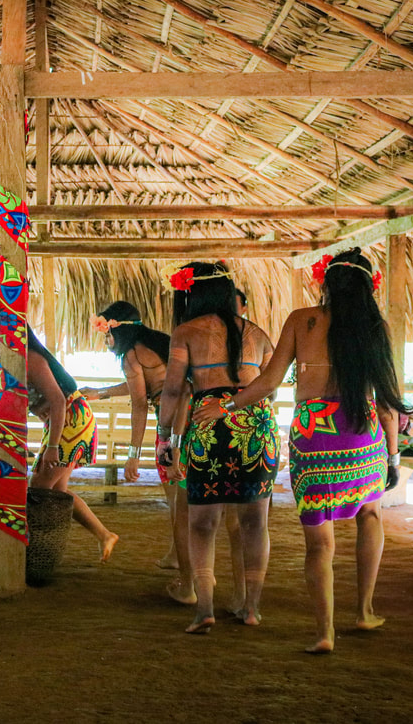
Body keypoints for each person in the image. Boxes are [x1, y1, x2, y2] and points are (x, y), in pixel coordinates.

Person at [193, 248, 407, 653]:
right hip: (362, 434)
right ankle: (364, 610)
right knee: (371, 513)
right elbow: (386, 403)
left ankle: (324, 633)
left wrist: (225, 406)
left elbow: (268, 381)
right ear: (367, 286)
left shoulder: (301, 320)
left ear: (324, 283)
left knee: (319, 543)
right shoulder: (375, 326)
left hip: (313, 436)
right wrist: (392, 456)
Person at [157, 261, 278, 634]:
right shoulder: (257, 333)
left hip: (209, 427)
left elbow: (174, 388)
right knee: (255, 522)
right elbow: (272, 386)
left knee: (202, 522)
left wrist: (165, 437)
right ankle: (252, 608)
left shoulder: (186, 332)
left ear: (192, 294)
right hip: (256, 426)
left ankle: (204, 610)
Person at [0, 312, 119, 562]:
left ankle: (34, 548)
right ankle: (103, 534)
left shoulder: (30, 359)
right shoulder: (12, 362)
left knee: (41, 487)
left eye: (2, 335)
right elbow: (5, 402)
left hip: (70, 421)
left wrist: (53, 446)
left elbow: (56, 400)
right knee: (55, 491)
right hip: (62, 420)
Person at [79, 303, 187, 572]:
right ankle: (180, 554)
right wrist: (102, 392)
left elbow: (140, 404)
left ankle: (182, 558)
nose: (106, 342)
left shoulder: (129, 356)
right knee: (185, 495)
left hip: (168, 433)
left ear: (121, 330)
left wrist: (132, 456)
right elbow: (146, 384)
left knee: (175, 497)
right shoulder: (160, 342)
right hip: (194, 425)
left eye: (108, 334)